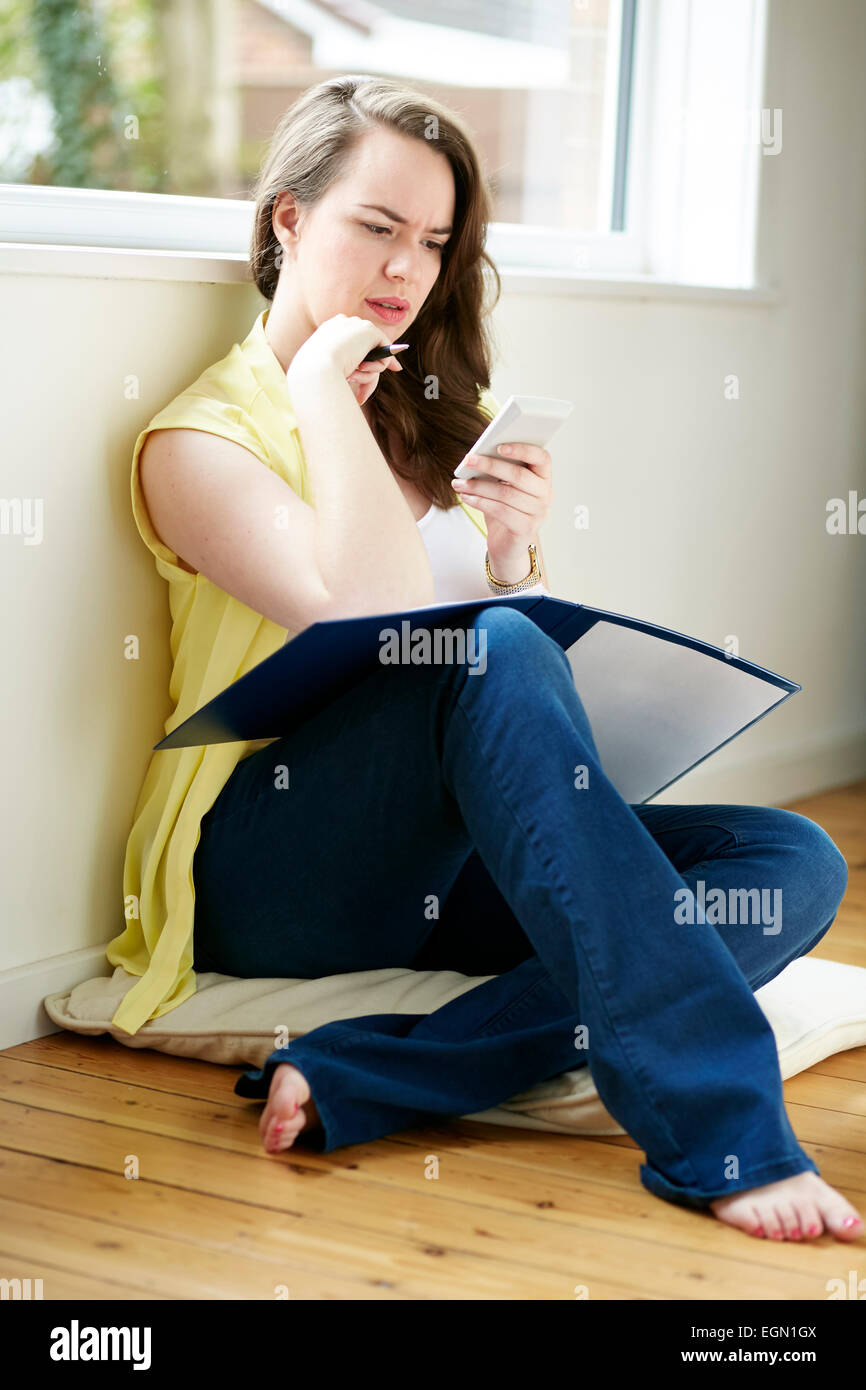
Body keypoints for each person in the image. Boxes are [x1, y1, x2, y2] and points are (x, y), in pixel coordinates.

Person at [123, 74, 863, 1244]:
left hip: (440, 864)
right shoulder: (199, 441)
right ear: (287, 220)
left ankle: (383, 1070)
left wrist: (511, 554)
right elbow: (363, 614)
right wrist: (316, 380)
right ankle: (721, 1129)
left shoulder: (420, 418)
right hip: (275, 876)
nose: (405, 270)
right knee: (496, 644)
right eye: (376, 225)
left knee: (784, 861)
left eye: (432, 242)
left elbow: (487, 672)